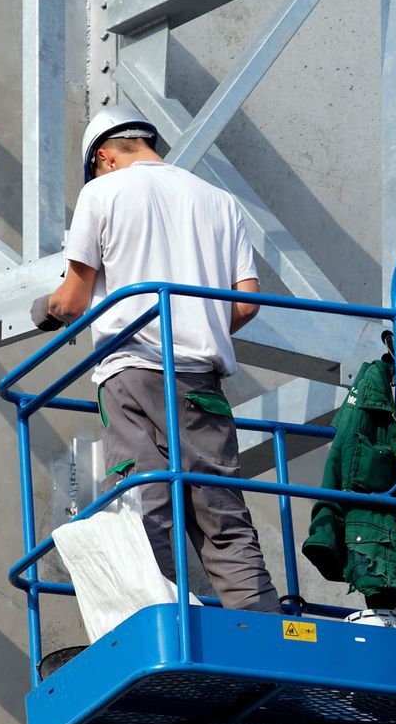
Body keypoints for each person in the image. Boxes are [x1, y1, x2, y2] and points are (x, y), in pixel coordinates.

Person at [33, 104, 282, 614]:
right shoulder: (219, 200)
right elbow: (247, 301)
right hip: (202, 384)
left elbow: (75, 299)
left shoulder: (102, 192)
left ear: (103, 156)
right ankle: (263, 629)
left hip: (130, 372)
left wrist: (44, 309)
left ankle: (160, 623)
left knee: (144, 509)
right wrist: (200, 328)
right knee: (220, 510)